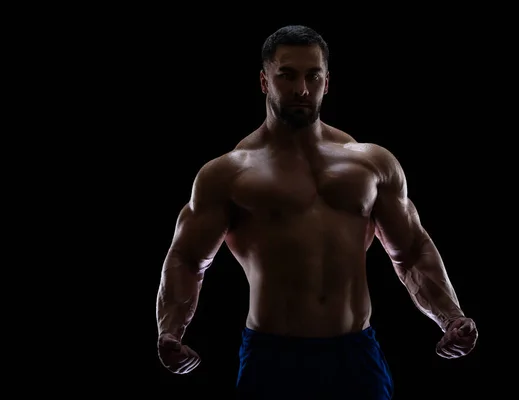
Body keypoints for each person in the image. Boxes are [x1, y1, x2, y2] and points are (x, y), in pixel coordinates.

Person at [156, 25, 478, 399]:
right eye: (287, 75)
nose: (302, 89)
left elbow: (411, 252)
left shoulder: (371, 165)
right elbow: (186, 258)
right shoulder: (228, 174)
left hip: (355, 354)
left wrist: (450, 318)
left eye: (313, 76)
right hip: (271, 357)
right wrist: (170, 331)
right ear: (264, 81)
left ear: (328, 81)